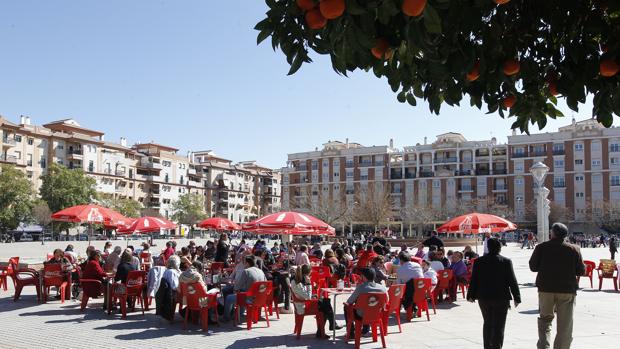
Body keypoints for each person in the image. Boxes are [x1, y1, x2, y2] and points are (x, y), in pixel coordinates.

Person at [529, 223, 585, 349]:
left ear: (552, 233)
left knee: (545, 321)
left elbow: (533, 267)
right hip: (567, 290)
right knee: (565, 325)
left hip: (546, 289)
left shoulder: (541, 247)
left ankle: (544, 346)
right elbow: (581, 271)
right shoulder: (574, 249)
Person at [467, 238, 521, 349]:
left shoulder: (479, 261)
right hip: (501, 298)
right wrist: (517, 297)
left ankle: (487, 346)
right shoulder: (506, 262)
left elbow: (474, 279)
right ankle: (497, 346)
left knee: (487, 323)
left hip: (484, 297)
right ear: (499, 248)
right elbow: (512, 280)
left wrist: (470, 295)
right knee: (499, 325)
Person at [291, 264, 341, 338]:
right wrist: (309, 284)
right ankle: (327, 328)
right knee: (325, 306)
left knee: (326, 302)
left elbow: (304, 294)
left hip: (302, 303)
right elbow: (307, 296)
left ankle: (328, 326)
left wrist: (312, 294)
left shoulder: (297, 280)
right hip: (302, 306)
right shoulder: (298, 283)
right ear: (308, 273)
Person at [344, 268, 387, 337]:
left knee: (346, 307)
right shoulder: (382, 288)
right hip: (377, 314)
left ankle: (351, 333)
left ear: (363, 277)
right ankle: (365, 329)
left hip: (361, 315)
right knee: (369, 305)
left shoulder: (360, 287)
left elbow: (349, 301)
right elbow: (386, 301)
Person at [222, 255, 266, 322]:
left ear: (248, 263)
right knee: (242, 292)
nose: (244, 264)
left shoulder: (246, 271)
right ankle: (240, 313)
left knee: (229, 298)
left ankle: (226, 317)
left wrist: (235, 289)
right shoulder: (261, 271)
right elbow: (265, 284)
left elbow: (237, 287)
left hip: (249, 298)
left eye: (244, 262)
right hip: (260, 297)